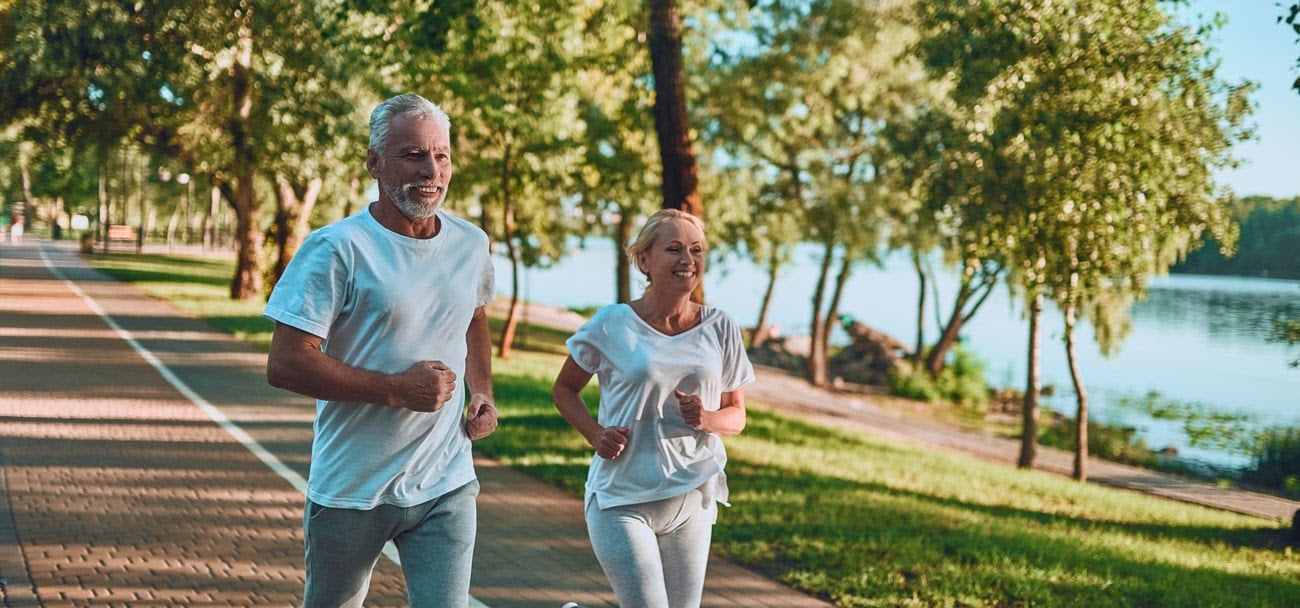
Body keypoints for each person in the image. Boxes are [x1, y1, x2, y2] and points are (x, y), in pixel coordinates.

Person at [263, 93, 498, 608]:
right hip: (353, 488)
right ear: (373, 161)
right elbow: (284, 363)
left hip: (446, 482)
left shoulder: (471, 243)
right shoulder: (337, 247)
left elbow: (475, 314)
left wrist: (482, 392)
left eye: (441, 155)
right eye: (412, 155)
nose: (430, 170)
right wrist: (395, 390)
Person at [551, 209, 754, 608]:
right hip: (622, 500)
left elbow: (737, 413)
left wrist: (708, 418)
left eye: (696, 250)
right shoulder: (612, 323)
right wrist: (594, 433)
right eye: (674, 249)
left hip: (691, 498)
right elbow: (564, 389)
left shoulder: (721, 326)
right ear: (644, 259)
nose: (688, 260)